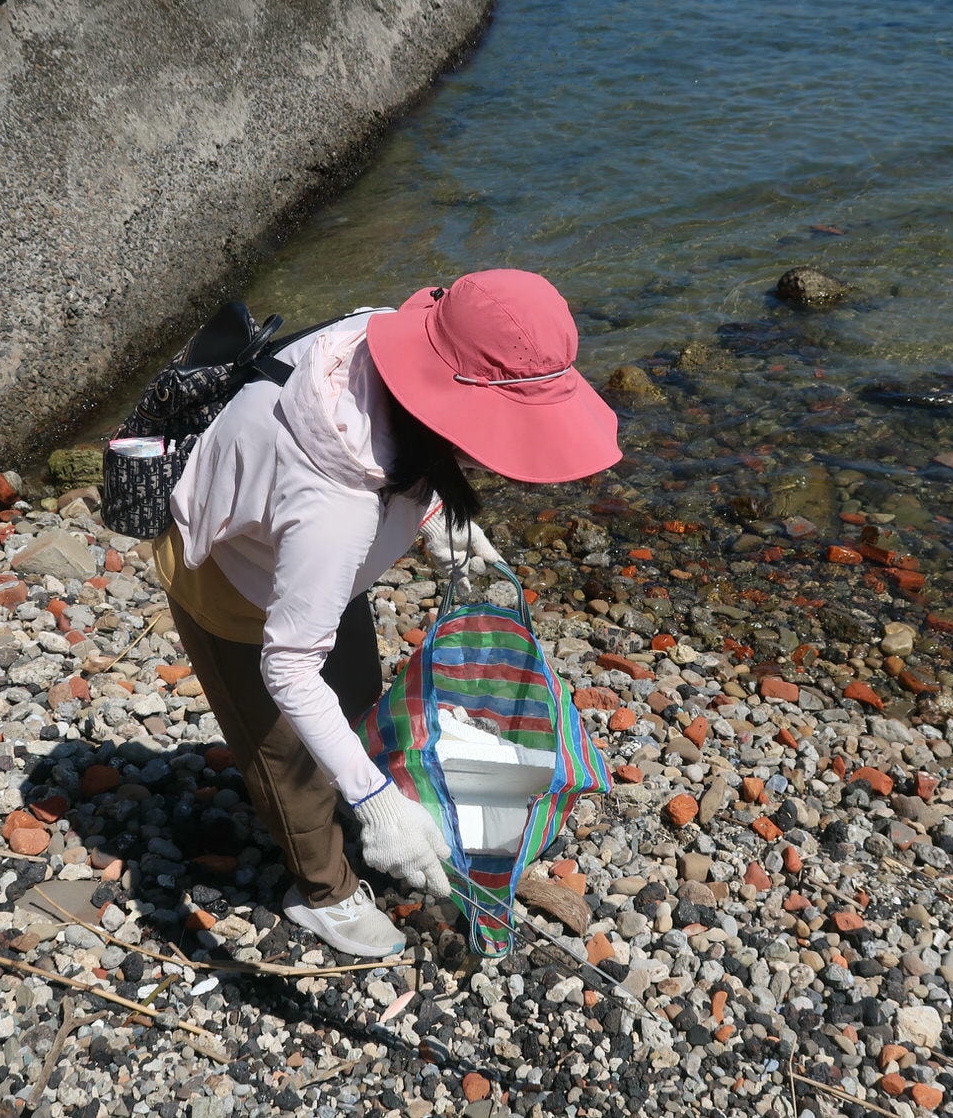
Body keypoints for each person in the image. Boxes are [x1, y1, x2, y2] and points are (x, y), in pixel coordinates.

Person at [154, 269, 620, 957]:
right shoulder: (332, 509)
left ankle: (361, 793)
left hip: (308, 562)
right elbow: (286, 664)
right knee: (285, 755)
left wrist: (437, 517)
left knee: (358, 700)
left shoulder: (389, 337)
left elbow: (406, 441)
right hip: (232, 585)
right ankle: (323, 891)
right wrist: (377, 803)